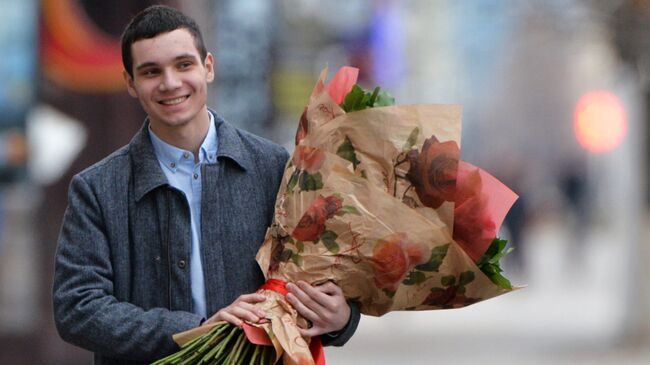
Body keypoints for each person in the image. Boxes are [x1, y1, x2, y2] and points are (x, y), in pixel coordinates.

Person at [52, 5, 359, 365]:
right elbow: (78, 308)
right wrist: (194, 329)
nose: (170, 83)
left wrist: (342, 318)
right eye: (152, 72)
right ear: (131, 84)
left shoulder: (272, 166)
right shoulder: (97, 189)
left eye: (183, 65)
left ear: (208, 67)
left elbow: (322, 273)